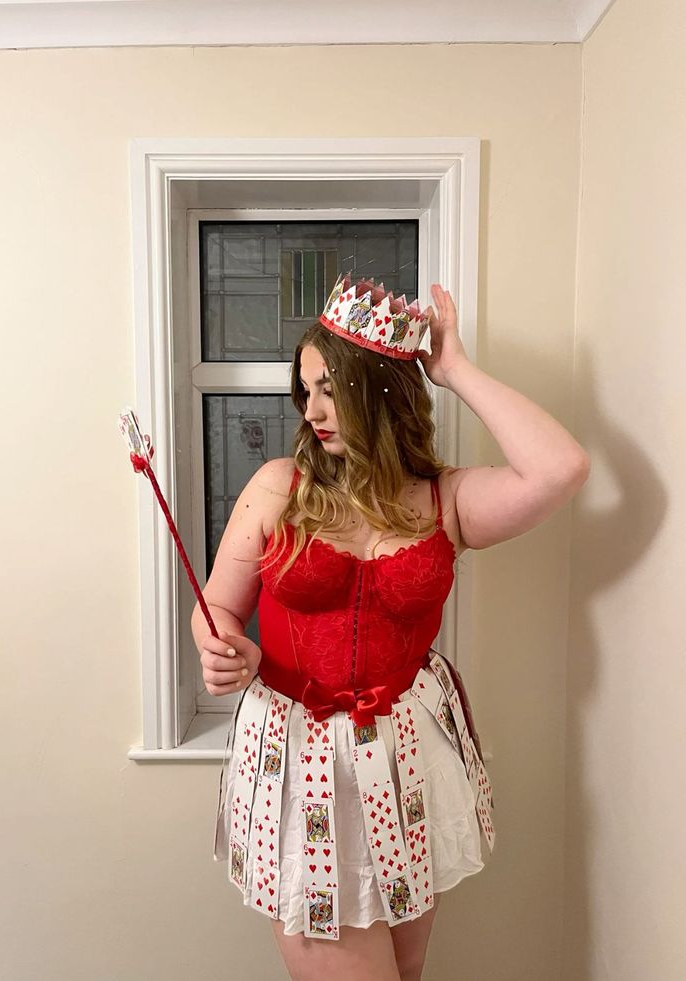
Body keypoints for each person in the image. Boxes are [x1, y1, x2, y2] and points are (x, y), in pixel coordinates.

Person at [191, 273, 590, 981]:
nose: (312, 408)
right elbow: (217, 605)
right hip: (302, 763)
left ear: (381, 390)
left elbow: (561, 467)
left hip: (404, 761)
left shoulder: (446, 501)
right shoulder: (278, 487)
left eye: (329, 388)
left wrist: (454, 368)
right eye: (304, 389)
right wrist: (220, 647)